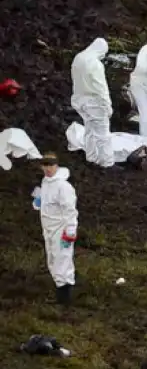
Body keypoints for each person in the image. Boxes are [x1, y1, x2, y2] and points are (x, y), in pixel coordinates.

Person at [36, 153, 78, 306]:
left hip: (61, 229)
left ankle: (64, 298)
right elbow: (46, 202)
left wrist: (70, 229)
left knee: (63, 258)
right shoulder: (46, 182)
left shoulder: (63, 186)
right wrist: (39, 201)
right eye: (45, 165)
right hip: (48, 228)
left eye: (51, 165)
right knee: (53, 259)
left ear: (56, 166)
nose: (48, 169)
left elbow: (70, 210)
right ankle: (60, 289)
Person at [70, 38, 114, 168]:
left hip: (79, 100)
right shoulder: (95, 64)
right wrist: (107, 105)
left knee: (89, 129)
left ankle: (91, 157)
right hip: (94, 102)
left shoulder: (78, 58)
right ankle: (107, 163)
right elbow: (101, 88)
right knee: (103, 134)